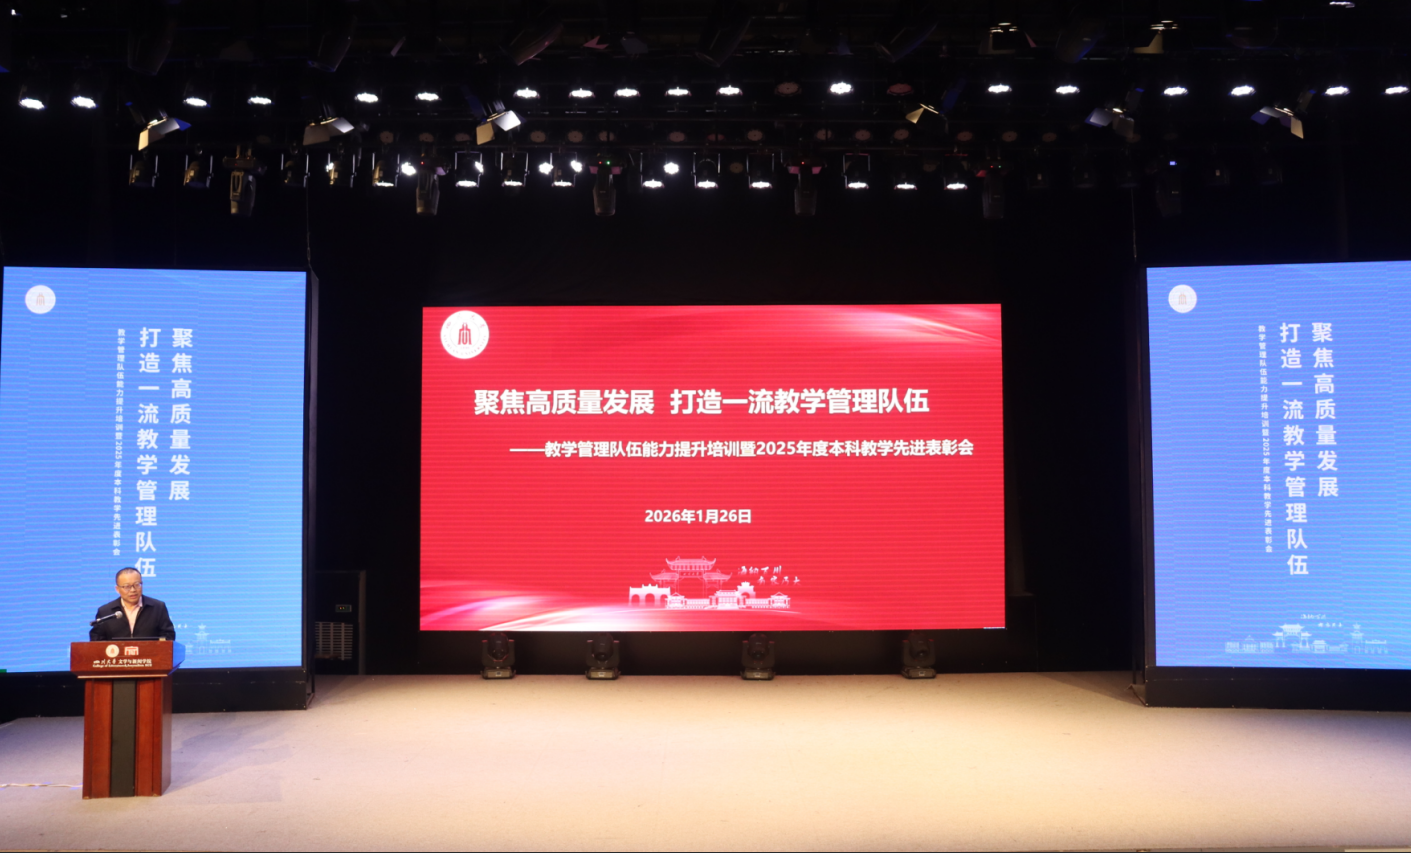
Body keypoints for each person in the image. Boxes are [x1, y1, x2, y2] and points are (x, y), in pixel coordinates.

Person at [90, 568, 176, 641]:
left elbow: (168, 636)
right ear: (117, 589)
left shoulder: (158, 607)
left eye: (137, 585)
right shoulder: (105, 611)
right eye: (127, 586)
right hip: (117, 655)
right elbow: (97, 640)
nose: (133, 590)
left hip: (149, 655)